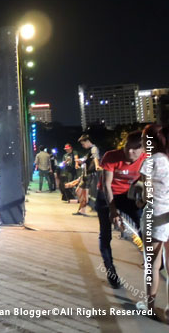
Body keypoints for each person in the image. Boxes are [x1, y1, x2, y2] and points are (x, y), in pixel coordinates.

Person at [95, 131, 145, 289]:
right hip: (106, 195)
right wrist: (113, 211)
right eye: (127, 147)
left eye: (135, 148)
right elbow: (106, 185)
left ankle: (153, 260)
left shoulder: (147, 159)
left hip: (127, 196)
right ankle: (111, 272)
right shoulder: (111, 156)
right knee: (105, 234)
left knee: (144, 226)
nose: (130, 151)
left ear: (143, 149)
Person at [139, 124, 169, 317]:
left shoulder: (151, 162)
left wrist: (139, 193)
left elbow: (146, 196)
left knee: (152, 264)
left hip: (155, 216)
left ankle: (150, 307)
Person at [74, 134, 102, 215]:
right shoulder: (91, 150)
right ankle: (82, 209)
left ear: (87, 141)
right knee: (80, 192)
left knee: (81, 192)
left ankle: (83, 209)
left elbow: (96, 158)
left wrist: (97, 166)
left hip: (89, 174)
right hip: (87, 174)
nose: (83, 146)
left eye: (83, 144)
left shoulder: (94, 149)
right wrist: (81, 161)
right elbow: (90, 159)